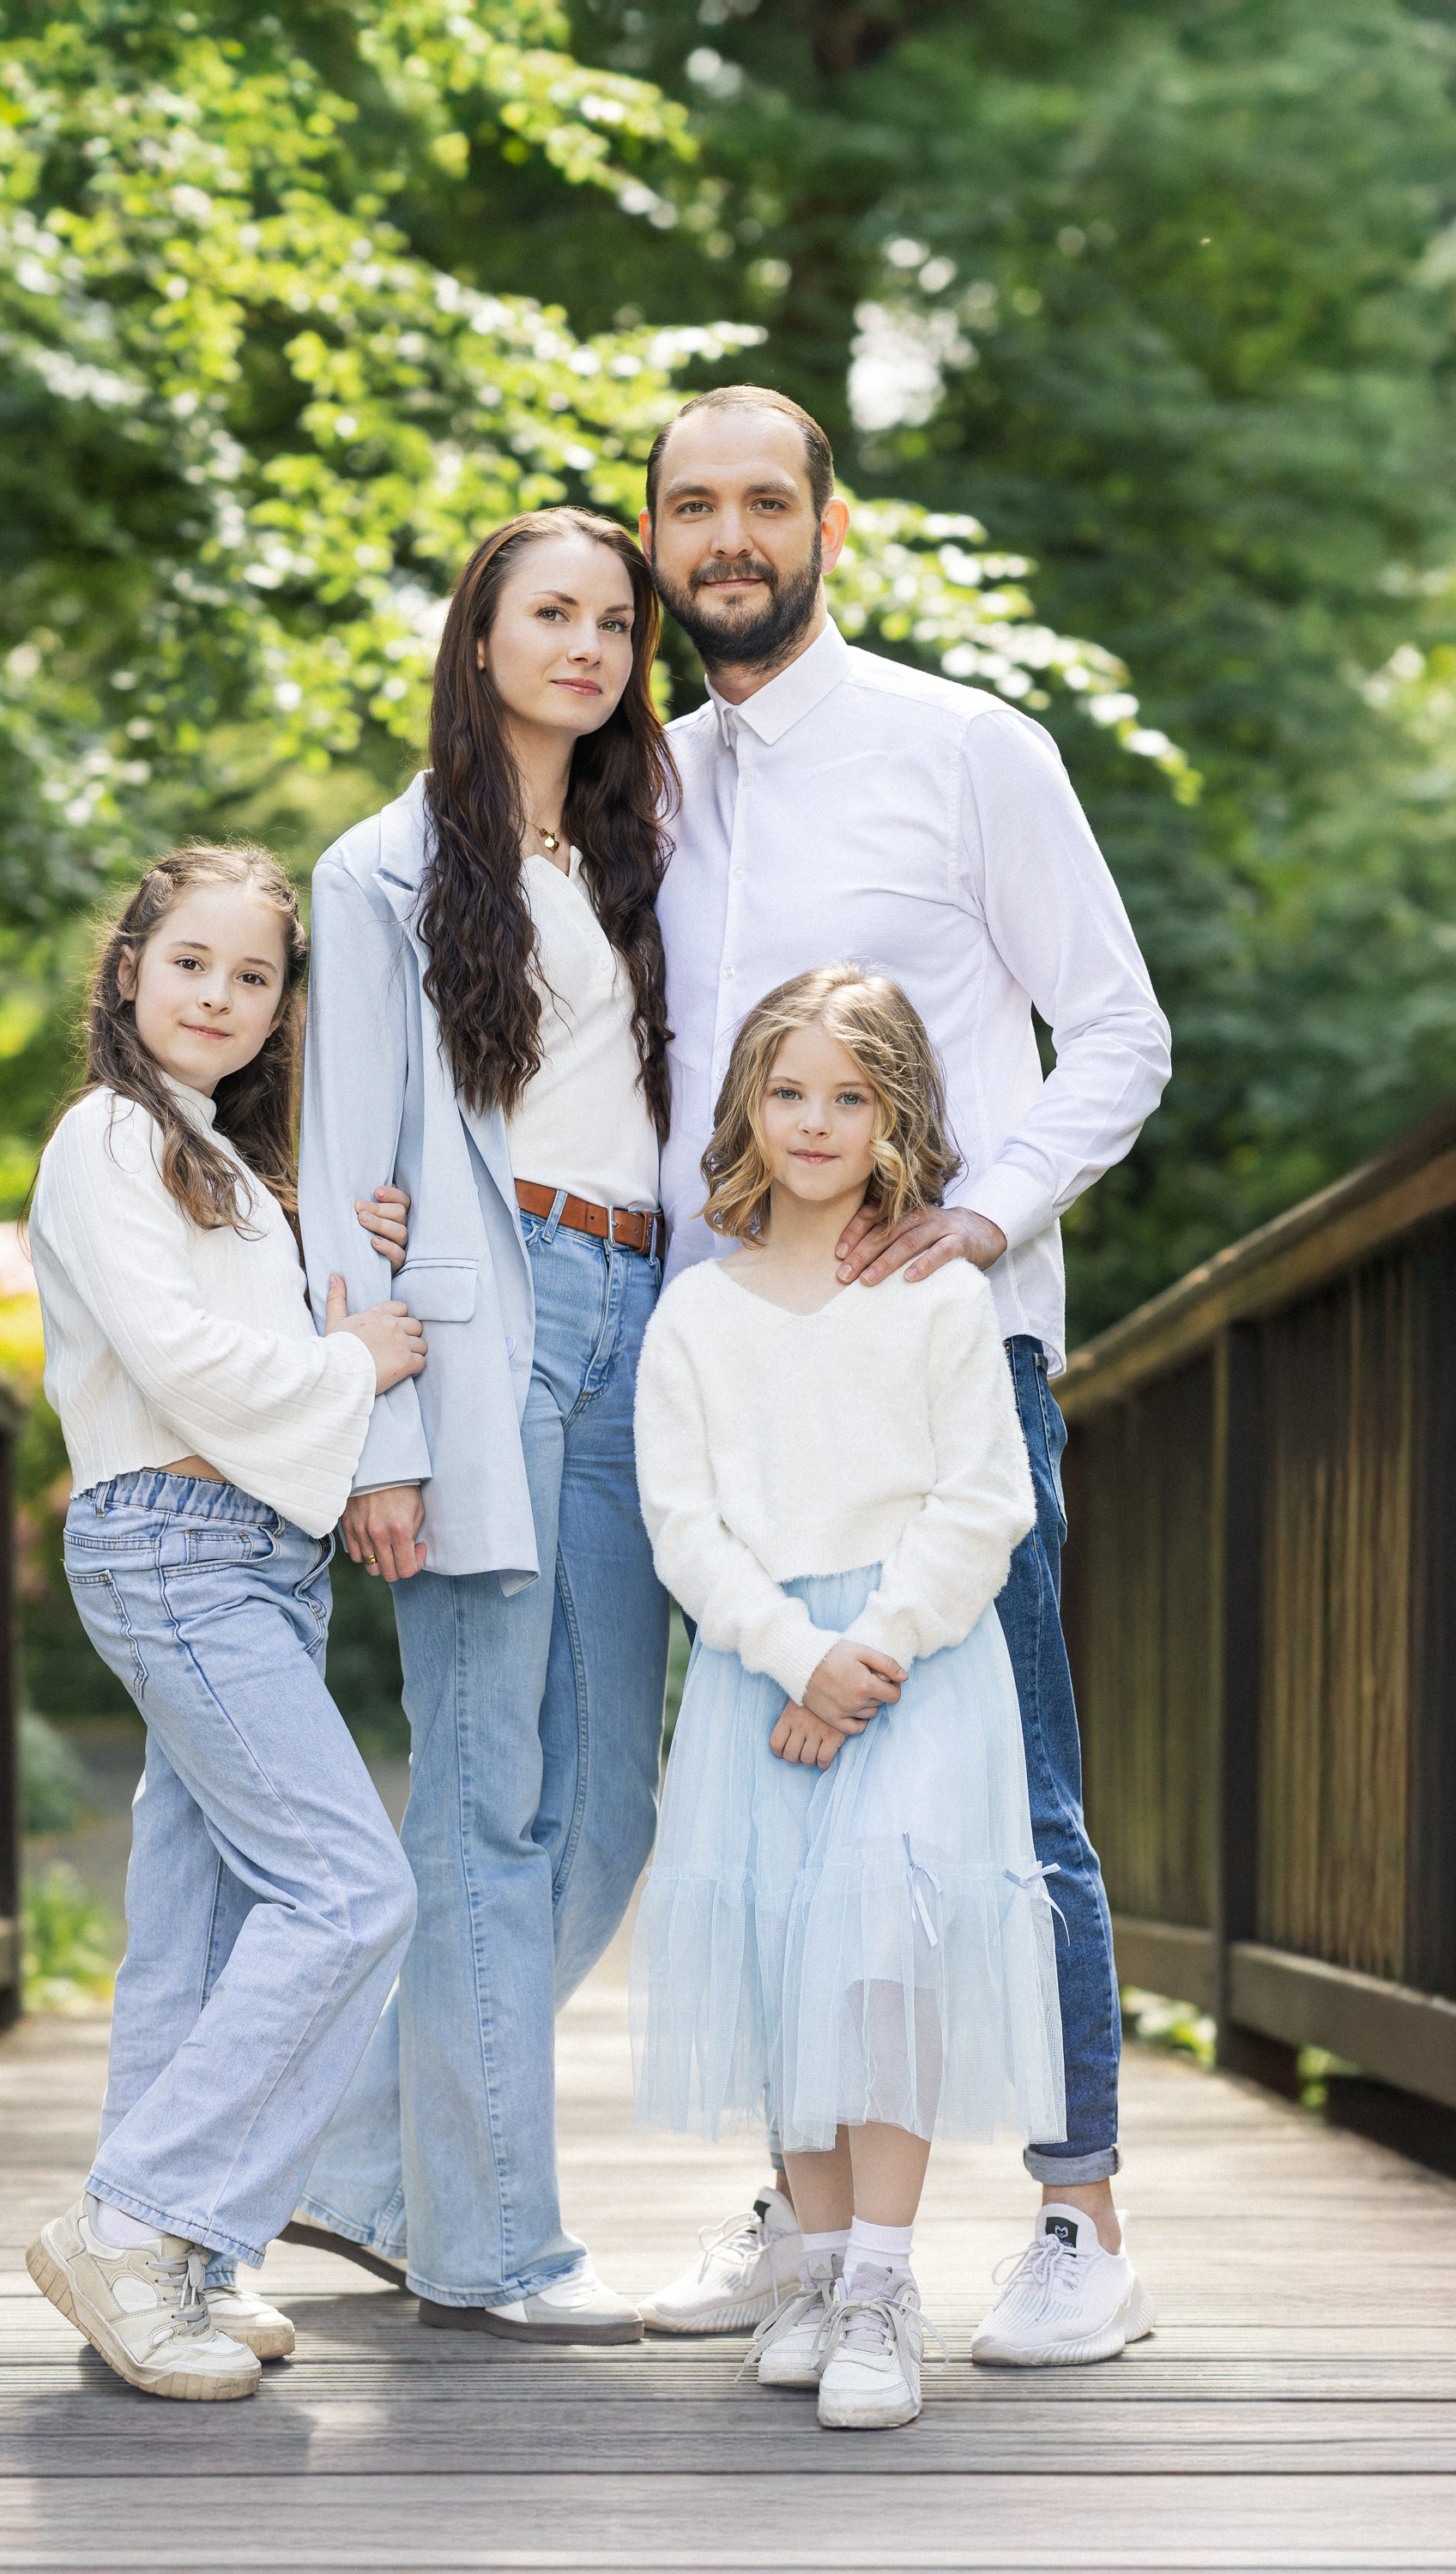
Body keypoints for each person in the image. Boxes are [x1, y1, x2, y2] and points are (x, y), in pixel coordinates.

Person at [637, 385, 1172, 2366]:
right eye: (693, 506)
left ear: (826, 526)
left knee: (1004, 1800)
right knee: (789, 1818)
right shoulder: (651, 789)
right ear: (660, 537)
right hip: (744, 1371)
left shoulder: (965, 750)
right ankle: (810, 2219)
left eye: (764, 500)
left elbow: (1115, 1030)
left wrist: (986, 1212)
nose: (730, 537)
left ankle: (1076, 2217)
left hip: (950, 1361)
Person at [288, 508, 674, 2342]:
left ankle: (360, 2165)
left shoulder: (636, 849)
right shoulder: (380, 867)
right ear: (482, 635)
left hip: (638, 1321)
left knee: (607, 1802)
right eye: (551, 614)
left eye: (614, 621)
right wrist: (379, 1442)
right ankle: (492, 2243)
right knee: (478, 1791)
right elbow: (341, 1158)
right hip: (480, 1328)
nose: (586, 646)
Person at [633, 964, 1074, 2429]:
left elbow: (984, 1499)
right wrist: (787, 1652)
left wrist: (866, 1654)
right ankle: (817, 2267)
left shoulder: (942, 1294)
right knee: (778, 1957)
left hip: (917, 1667)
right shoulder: (697, 1312)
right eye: (789, 1091)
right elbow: (683, 1524)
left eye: (849, 1096)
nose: (816, 1121)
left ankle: (885, 2281)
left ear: (893, 1119)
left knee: (881, 1962)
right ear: (747, 1107)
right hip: (763, 1675)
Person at [24, 842, 426, 2401]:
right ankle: (134, 2221)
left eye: (254, 976)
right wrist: (357, 1363)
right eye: (191, 961)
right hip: (177, 1550)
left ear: (282, 1009)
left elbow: (271, 1320)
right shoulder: (106, 1138)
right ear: (129, 970)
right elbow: (186, 1365)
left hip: (251, 1556)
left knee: (193, 1920)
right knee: (346, 1887)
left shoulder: (220, 1166)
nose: (220, 994)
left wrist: (343, 1263)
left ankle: (175, 2260)